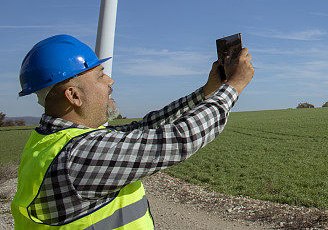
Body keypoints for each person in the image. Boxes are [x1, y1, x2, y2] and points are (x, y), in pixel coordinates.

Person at [11, 34, 254, 229]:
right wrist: (234, 86)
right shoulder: (77, 156)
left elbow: (142, 128)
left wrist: (205, 92)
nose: (110, 81)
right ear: (74, 95)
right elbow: (180, 138)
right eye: (99, 76)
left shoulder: (56, 142)